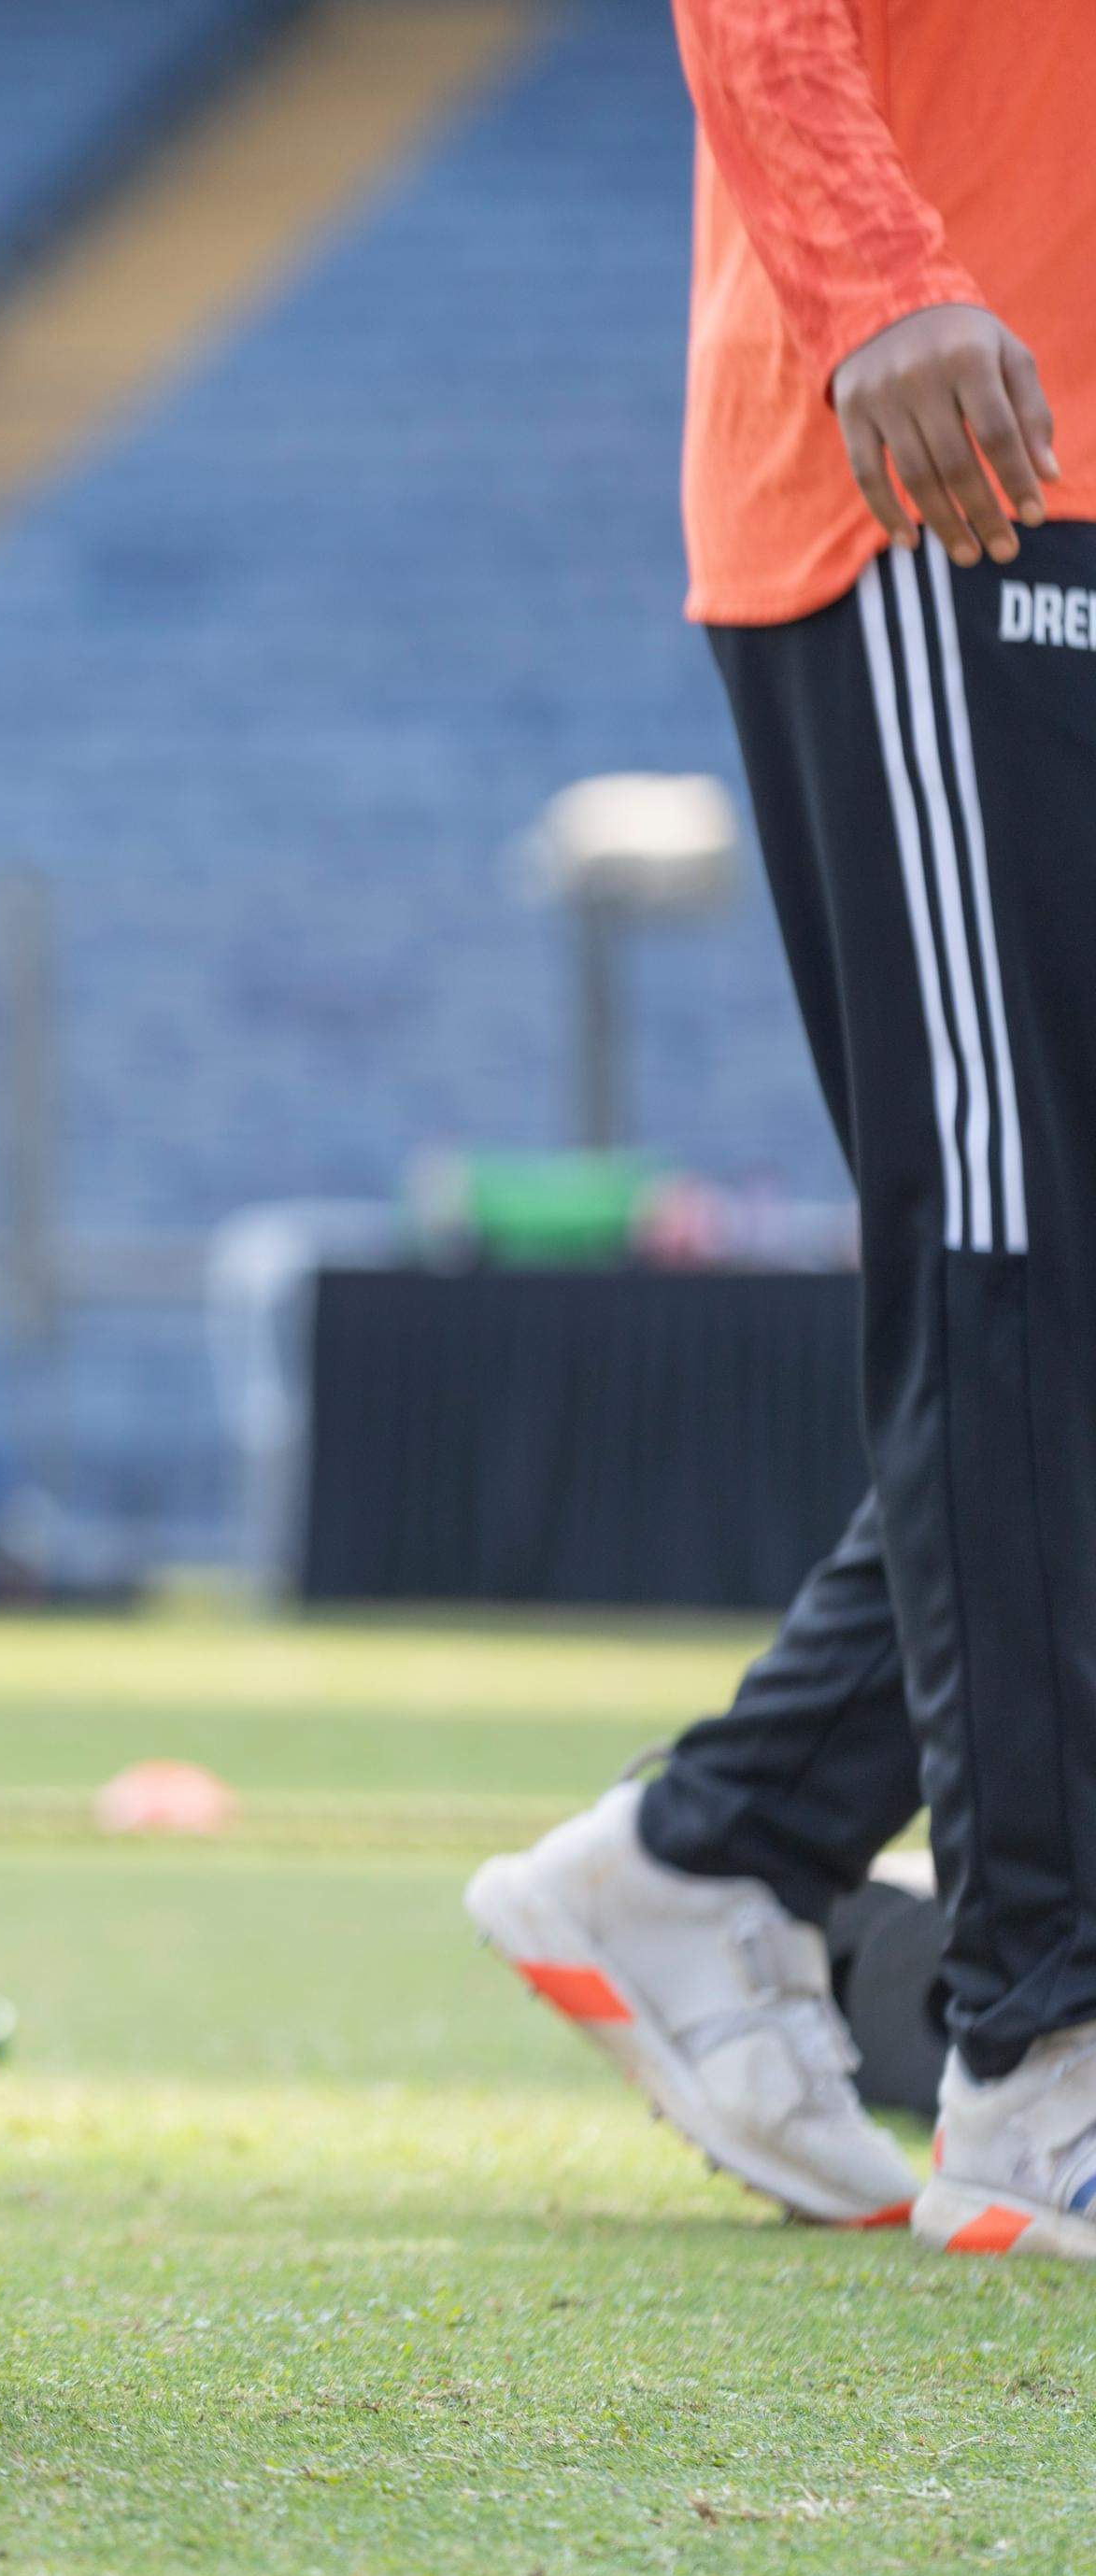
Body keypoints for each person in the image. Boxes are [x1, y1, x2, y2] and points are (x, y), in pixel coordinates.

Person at [467, 0, 1091, 2261]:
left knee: (1073, 1283)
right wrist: (877, 274)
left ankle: (711, 1850)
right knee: (1014, 1252)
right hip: (958, 455)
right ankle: (1044, 2051)